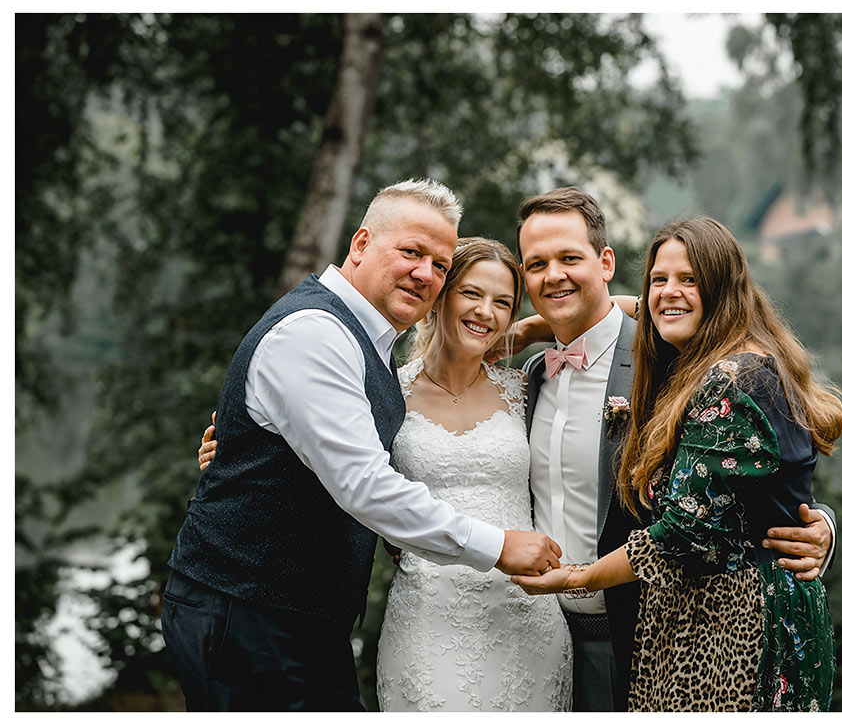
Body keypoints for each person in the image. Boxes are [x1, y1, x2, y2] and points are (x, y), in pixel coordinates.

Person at [163, 179, 562, 711]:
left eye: (440, 265)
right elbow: (365, 485)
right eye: (411, 252)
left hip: (298, 620)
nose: (425, 273)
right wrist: (497, 546)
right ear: (360, 244)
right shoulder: (316, 334)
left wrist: (537, 327)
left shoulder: (369, 343)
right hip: (250, 611)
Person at [512, 188, 838, 712]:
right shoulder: (529, 375)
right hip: (539, 637)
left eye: (570, 258)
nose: (554, 275)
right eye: (537, 264)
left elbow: (755, 487)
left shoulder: (671, 356)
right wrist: (531, 328)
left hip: (670, 638)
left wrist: (820, 524)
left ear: (604, 262)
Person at [375, 238, 572, 711]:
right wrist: (231, 447)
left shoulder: (528, 387)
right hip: (428, 621)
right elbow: (330, 459)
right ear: (439, 294)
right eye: (472, 294)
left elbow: (626, 314)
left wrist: (526, 329)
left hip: (528, 618)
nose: (485, 312)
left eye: (502, 301)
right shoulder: (385, 392)